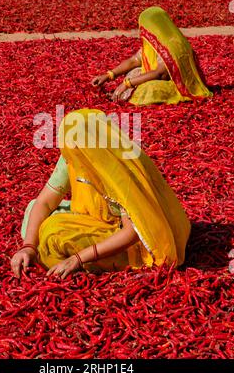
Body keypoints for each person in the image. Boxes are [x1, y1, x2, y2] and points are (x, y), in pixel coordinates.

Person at [11, 109, 191, 279]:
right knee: (33, 211)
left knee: (54, 236)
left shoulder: (116, 168)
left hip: (137, 237)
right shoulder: (75, 156)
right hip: (102, 220)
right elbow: (44, 202)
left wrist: (79, 258)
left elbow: (133, 231)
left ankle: (91, 258)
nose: (67, 151)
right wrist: (28, 247)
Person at [91, 6, 212, 105]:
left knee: (149, 90)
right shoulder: (156, 41)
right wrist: (109, 75)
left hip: (178, 85)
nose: (142, 31)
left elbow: (159, 73)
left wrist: (126, 84)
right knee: (134, 72)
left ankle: (128, 95)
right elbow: (135, 60)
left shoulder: (173, 46)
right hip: (159, 77)